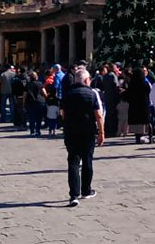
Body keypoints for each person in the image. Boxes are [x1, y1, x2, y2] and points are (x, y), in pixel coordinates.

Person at [61, 69, 104, 207]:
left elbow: (62, 113)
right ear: (86, 80)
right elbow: (98, 114)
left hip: (71, 131)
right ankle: (86, 190)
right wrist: (101, 132)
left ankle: (74, 195)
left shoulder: (67, 94)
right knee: (87, 161)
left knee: (73, 161)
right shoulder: (91, 94)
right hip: (88, 132)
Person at [124, 67, 151, 144]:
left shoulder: (132, 84)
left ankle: (137, 137)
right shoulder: (144, 83)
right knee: (142, 122)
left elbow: (128, 95)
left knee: (136, 122)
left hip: (134, 107)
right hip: (143, 106)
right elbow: (149, 92)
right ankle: (142, 136)